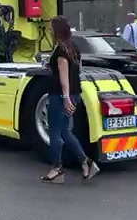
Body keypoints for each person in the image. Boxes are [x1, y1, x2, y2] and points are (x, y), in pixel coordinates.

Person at [41, 15, 100, 183]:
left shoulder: (60, 50)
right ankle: (86, 162)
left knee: (54, 132)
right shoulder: (73, 47)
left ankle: (57, 169)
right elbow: (76, 71)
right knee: (65, 131)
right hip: (75, 93)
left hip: (60, 96)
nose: (50, 30)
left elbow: (64, 77)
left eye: (51, 28)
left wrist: (65, 98)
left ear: (57, 30)